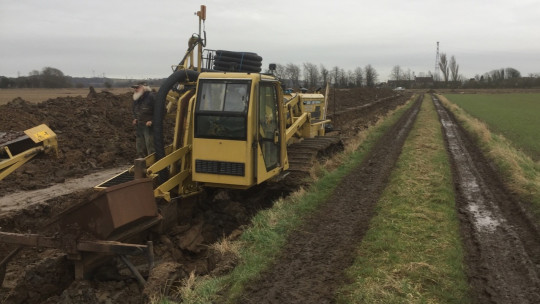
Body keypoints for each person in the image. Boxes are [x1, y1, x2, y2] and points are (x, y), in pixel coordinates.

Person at [131, 82, 155, 158]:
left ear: (144, 88)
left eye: (137, 87)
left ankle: (152, 165)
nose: (135, 89)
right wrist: (135, 118)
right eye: (134, 88)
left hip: (149, 127)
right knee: (140, 147)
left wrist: (152, 121)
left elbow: (161, 111)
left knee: (150, 147)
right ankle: (142, 164)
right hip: (139, 126)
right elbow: (134, 110)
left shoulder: (151, 97)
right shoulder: (136, 97)